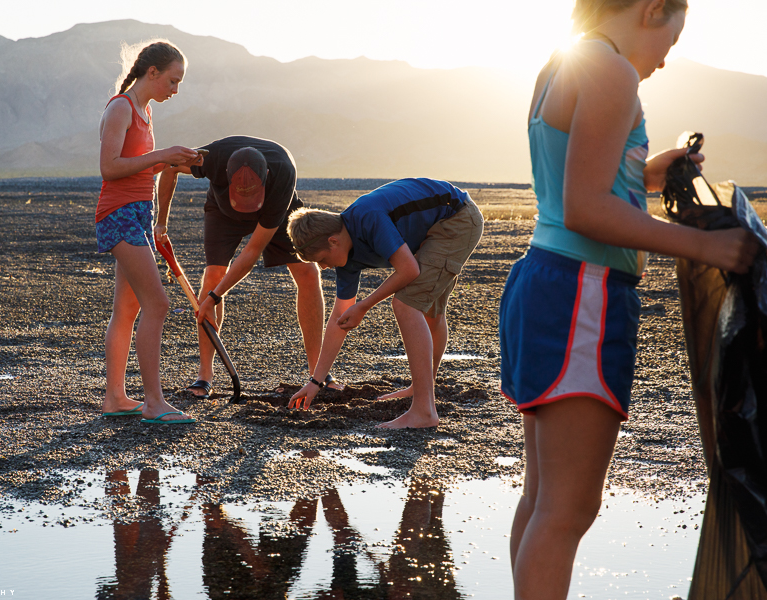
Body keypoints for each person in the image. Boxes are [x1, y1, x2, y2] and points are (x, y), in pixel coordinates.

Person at [498, 1, 760, 598]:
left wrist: (649, 168)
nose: (668, 58)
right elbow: (587, 208)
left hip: (545, 281)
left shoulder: (562, 65)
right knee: (568, 510)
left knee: (543, 500)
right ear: (651, 10)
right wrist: (702, 246)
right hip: (581, 294)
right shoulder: (612, 71)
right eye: (675, 34)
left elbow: (581, 172)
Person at [285, 178, 484, 429]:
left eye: (322, 259)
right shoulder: (345, 258)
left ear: (334, 240)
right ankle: (422, 389)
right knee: (429, 311)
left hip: (457, 219)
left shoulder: (367, 217)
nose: (323, 267)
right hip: (437, 228)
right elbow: (340, 320)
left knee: (405, 305)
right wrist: (315, 382)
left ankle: (424, 411)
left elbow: (408, 270)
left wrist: (365, 305)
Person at [157, 136, 338, 398]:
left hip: (275, 210)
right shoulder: (212, 158)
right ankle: (204, 377)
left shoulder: (283, 173)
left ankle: (318, 373)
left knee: (308, 272)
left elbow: (252, 251)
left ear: (265, 175)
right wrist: (161, 222)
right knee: (213, 275)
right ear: (226, 176)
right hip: (222, 212)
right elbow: (169, 165)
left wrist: (214, 298)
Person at [95, 40, 201, 425]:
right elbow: (109, 168)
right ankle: (154, 403)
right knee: (158, 304)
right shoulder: (121, 107)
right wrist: (161, 155)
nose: (175, 90)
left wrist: (173, 162)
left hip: (137, 214)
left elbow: (138, 167)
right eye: (173, 81)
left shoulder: (143, 110)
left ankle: (116, 398)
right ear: (152, 72)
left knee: (127, 309)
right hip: (119, 214)